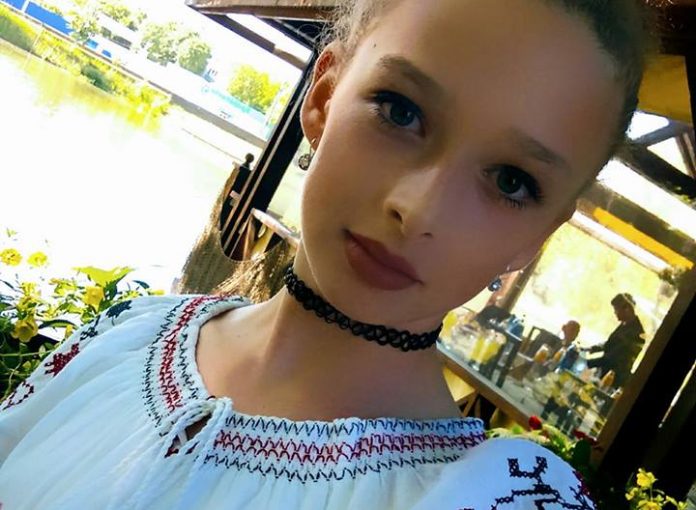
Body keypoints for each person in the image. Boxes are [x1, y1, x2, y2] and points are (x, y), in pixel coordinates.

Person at [0, 0, 650, 507]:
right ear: (323, 98)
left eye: (510, 181)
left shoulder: (478, 500)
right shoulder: (127, 340)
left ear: (538, 236)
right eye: (400, 111)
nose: (419, 210)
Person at [586, 293, 646, 388]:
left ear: (627, 309)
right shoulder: (625, 324)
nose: (615, 313)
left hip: (614, 380)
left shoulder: (636, 333)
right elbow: (612, 343)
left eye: (616, 310)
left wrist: (587, 363)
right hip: (605, 373)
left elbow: (613, 358)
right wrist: (594, 348)